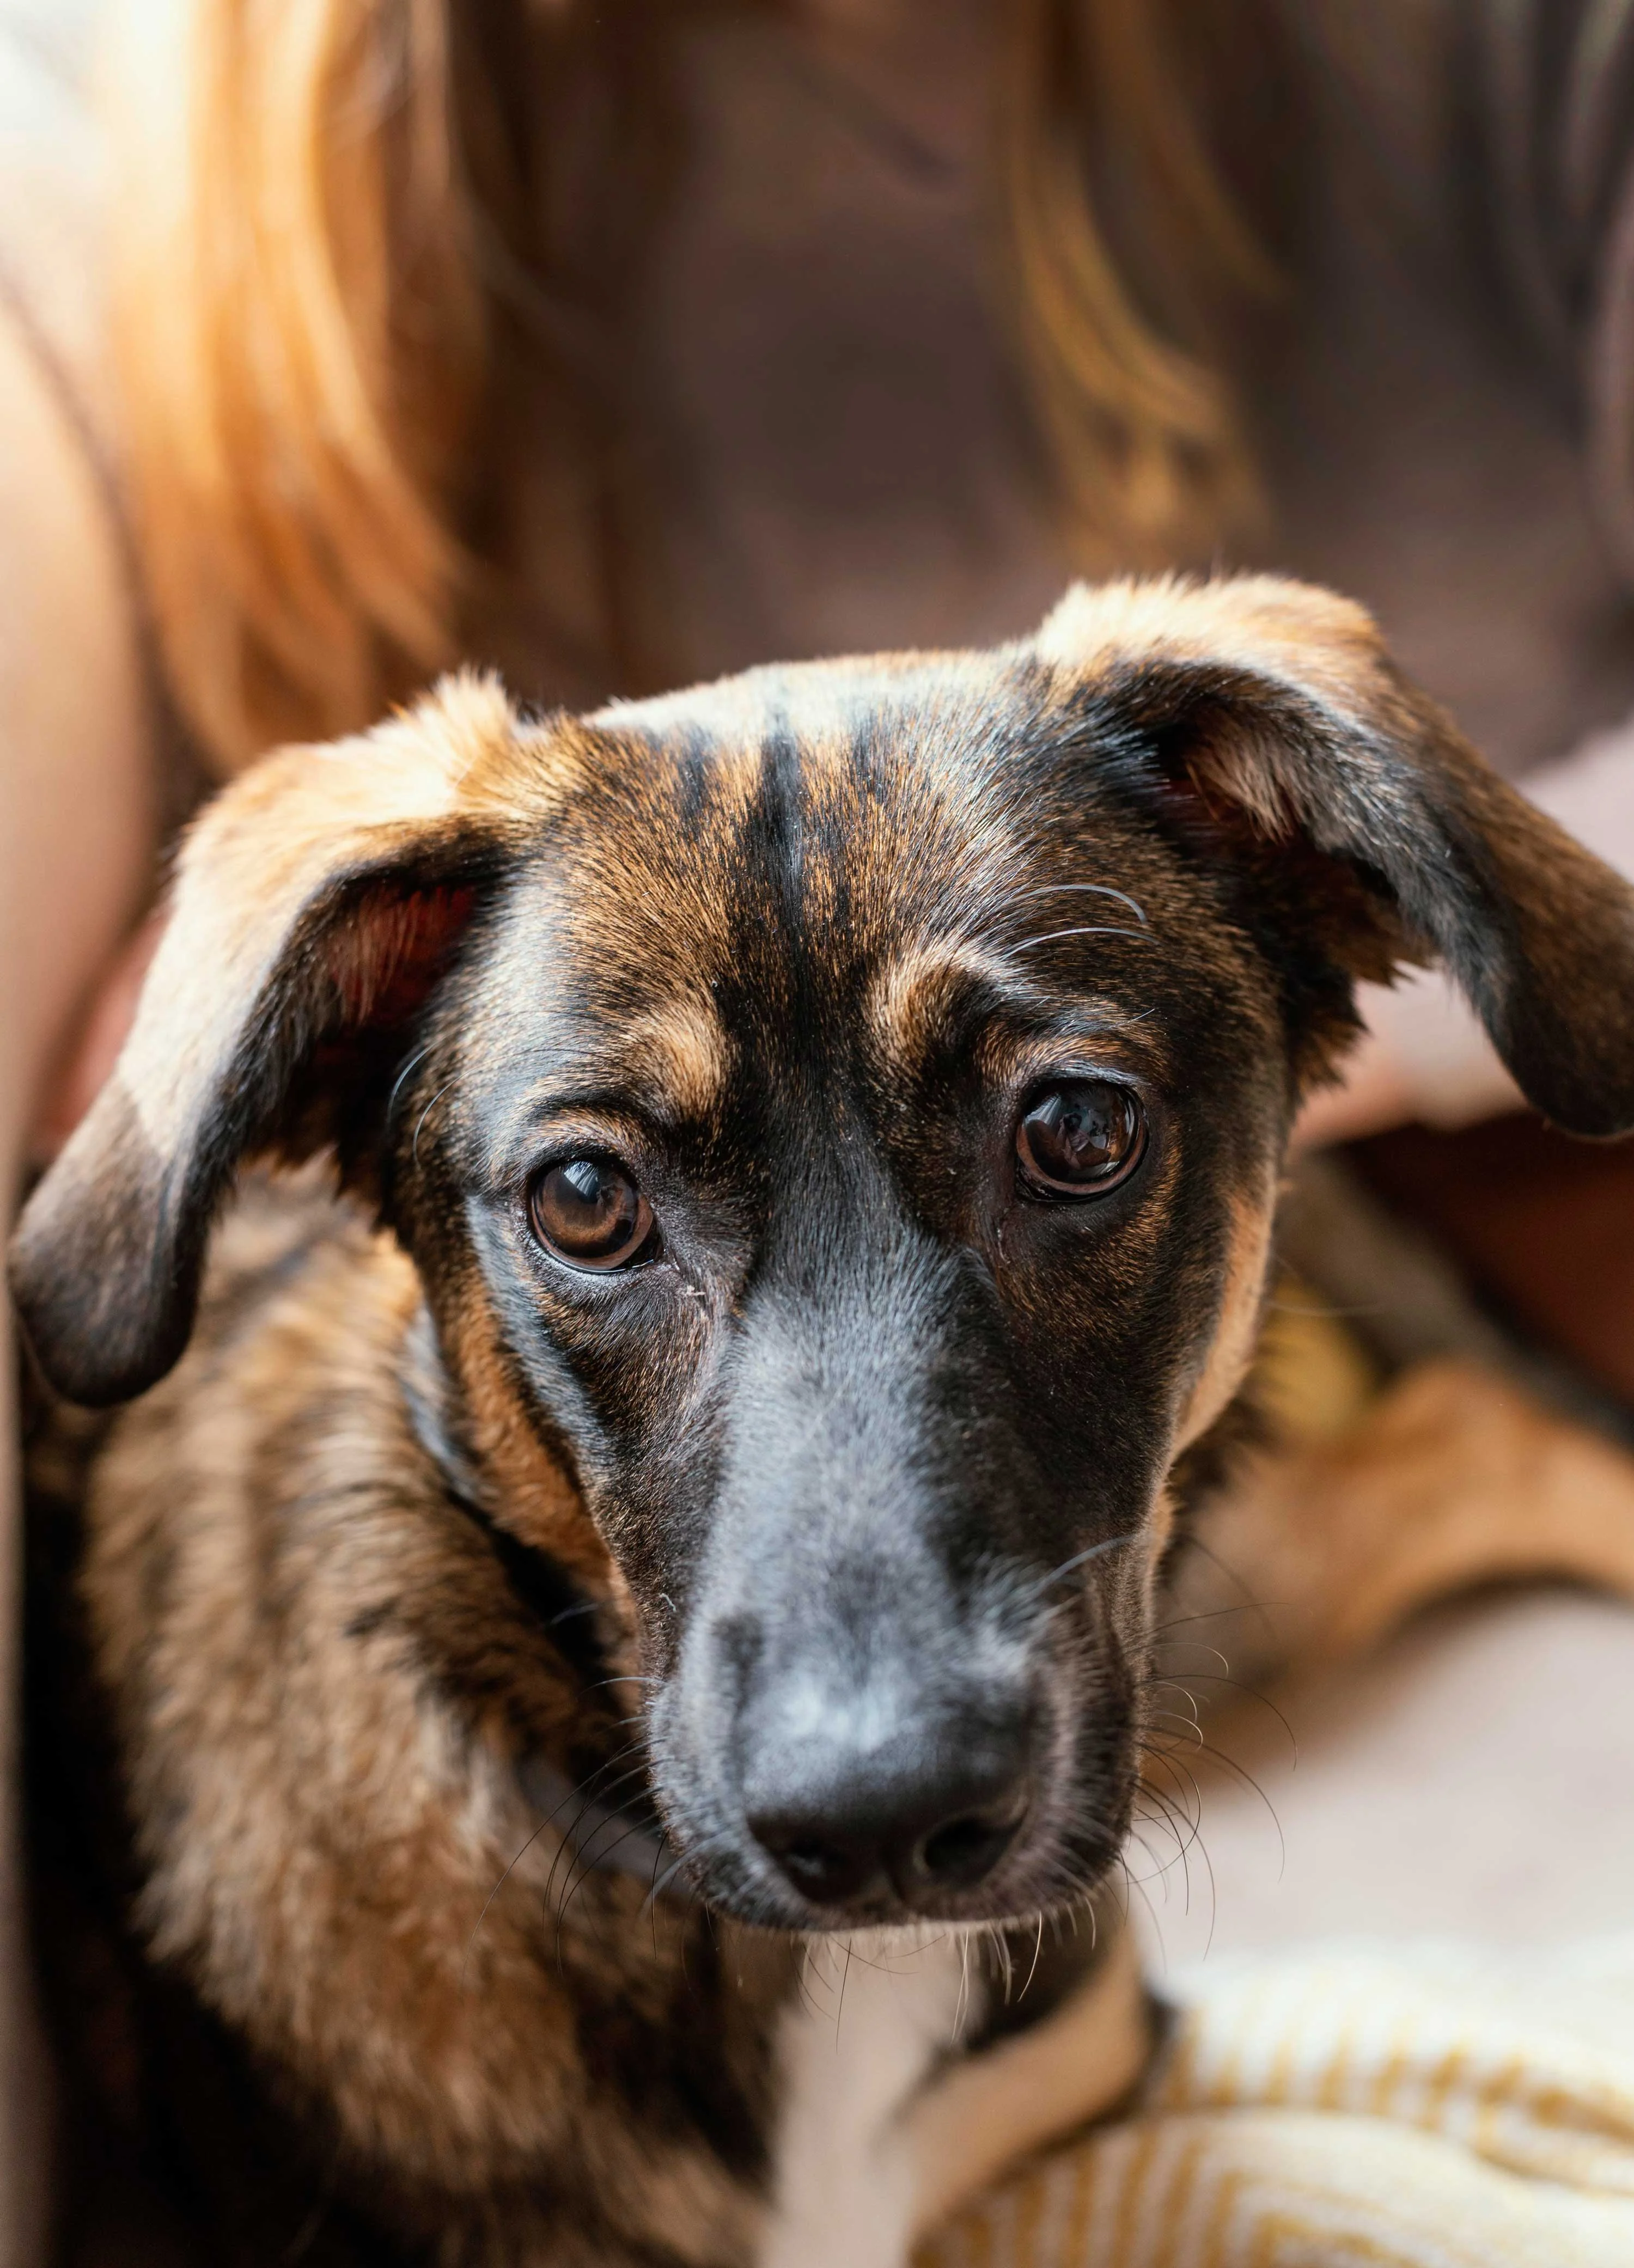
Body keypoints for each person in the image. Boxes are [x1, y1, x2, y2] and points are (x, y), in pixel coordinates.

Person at [7, 0, 1634, 2255]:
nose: (873, 1744)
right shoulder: (346, 2052)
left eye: (1066, 1138)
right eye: (594, 1201)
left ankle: (1449, 1471)